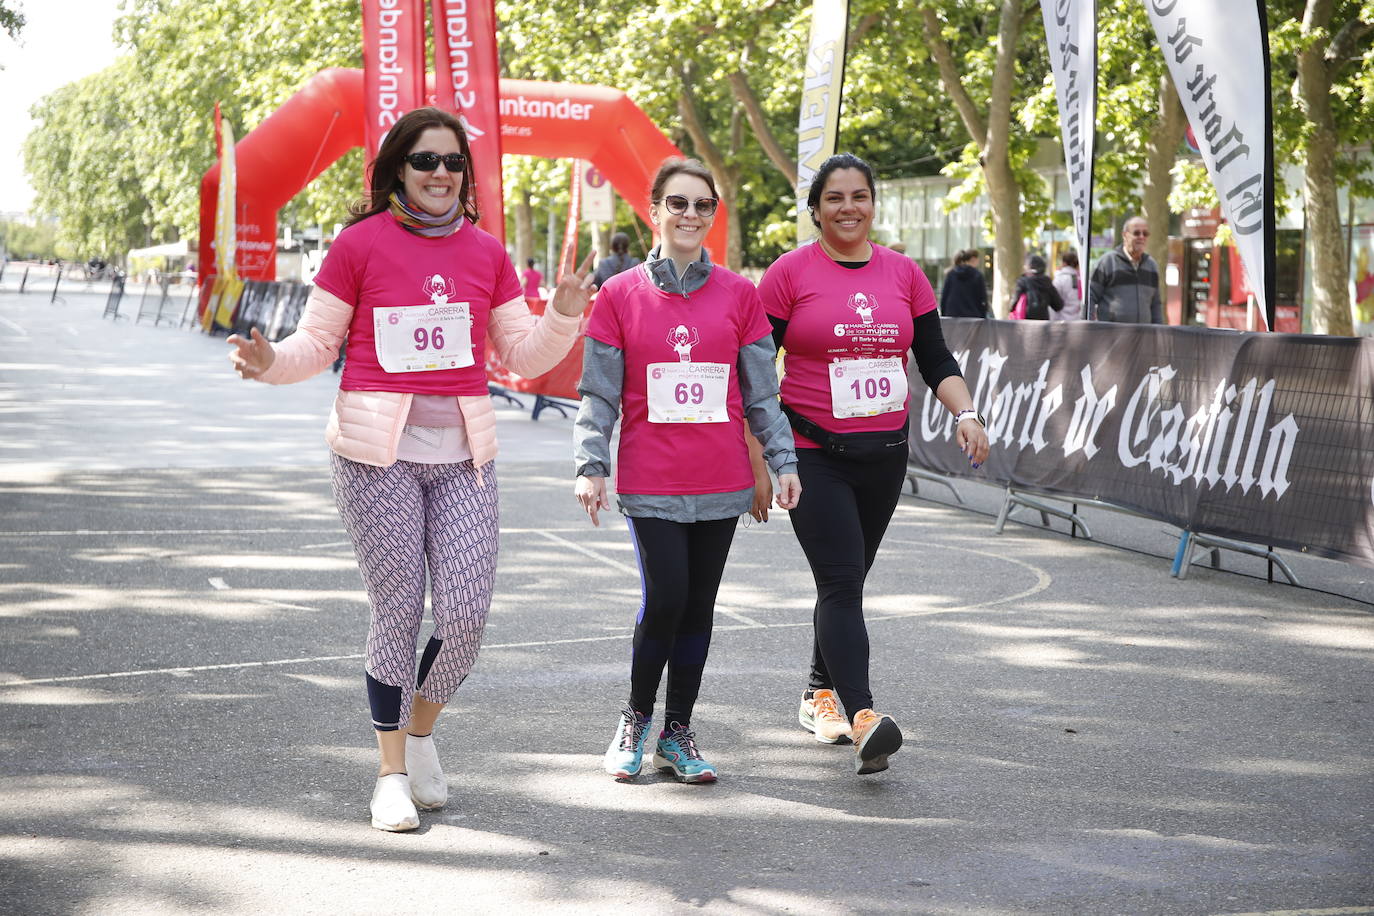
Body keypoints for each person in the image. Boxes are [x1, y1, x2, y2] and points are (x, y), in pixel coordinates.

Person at [225, 107, 593, 832]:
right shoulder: (358, 245)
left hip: (464, 461)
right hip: (375, 458)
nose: (440, 174)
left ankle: (421, 731)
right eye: (424, 161)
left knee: (463, 615)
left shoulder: (487, 253)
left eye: (453, 162)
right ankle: (390, 773)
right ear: (398, 168)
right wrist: (270, 364)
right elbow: (314, 343)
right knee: (397, 609)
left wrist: (565, 316)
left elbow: (520, 355)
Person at [758, 153, 990, 776]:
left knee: (847, 582)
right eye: (835, 198)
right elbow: (753, 371)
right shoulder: (787, 275)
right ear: (815, 209)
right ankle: (864, 718)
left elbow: (935, 359)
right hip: (811, 454)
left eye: (860, 195)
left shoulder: (905, 274)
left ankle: (818, 693)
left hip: (884, 455)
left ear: (873, 203)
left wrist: (967, 414)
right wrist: (758, 454)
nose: (849, 208)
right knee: (839, 581)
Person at [574, 158, 801, 784]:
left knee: (699, 607)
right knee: (666, 598)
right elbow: (599, 395)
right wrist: (591, 464)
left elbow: (762, 395)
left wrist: (781, 461)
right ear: (654, 211)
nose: (691, 215)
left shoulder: (739, 295)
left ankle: (678, 733)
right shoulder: (618, 295)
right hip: (650, 481)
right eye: (679, 203)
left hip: (721, 479)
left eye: (703, 205)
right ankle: (634, 719)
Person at [1088, 216, 1162, 323]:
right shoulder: (1107, 262)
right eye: (1136, 233)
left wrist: (1158, 332)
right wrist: (1089, 329)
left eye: (1145, 233)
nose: (1141, 237)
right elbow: (1090, 296)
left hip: (1143, 336)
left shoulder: (1152, 266)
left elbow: (1155, 305)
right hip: (1113, 336)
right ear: (1125, 235)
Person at [1009, 253, 1064, 320]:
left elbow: (1013, 304)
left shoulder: (1022, 282)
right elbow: (1058, 306)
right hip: (1043, 325)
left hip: (1024, 325)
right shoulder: (1047, 283)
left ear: (1028, 268)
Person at [939, 249, 989, 318]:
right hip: (973, 318)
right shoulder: (977, 275)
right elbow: (983, 299)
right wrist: (983, 315)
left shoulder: (951, 274)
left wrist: (944, 314)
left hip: (952, 316)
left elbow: (944, 297)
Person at [1052, 249, 1082, 321]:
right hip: (1079, 320)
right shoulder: (1082, 279)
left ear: (1064, 263)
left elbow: (1053, 302)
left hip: (1061, 320)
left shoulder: (1059, 279)